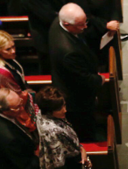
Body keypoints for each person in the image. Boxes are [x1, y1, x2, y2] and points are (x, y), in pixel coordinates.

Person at [48, 3, 104, 141]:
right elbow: (83, 79)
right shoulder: (68, 51)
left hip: (71, 79)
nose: (85, 27)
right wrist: (100, 80)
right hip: (76, 98)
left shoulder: (58, 22)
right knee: (84, 127)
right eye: (80, 25)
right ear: (66, 24)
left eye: (85, 22)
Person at [35, 86, 87, 169]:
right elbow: (59, 165)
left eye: (64, 105)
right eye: (60, 109)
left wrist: (81, 148)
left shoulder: (43, 113)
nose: (65, 110)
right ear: (49, 110)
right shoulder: (51, 132)